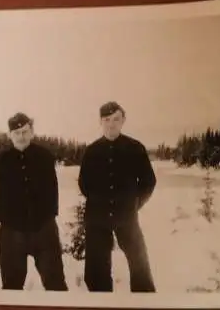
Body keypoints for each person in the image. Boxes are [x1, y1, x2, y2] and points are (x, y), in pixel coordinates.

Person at [78, 101, 157, 293]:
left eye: (116, 119)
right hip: (97, 219)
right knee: (96, 270)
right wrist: (100, 203)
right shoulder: (91, 151)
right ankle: (102, 302)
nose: (111, 124)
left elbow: (149, 182)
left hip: (126, 217)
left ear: (123, 121)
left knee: (140, 264)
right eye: (106, 120)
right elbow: (84, 184)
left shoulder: (135, 148)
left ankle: (143, 303)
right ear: (100, 122)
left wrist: (133, 204)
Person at [0, 112, 68, 291]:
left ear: (32, 132)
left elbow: (52, 191)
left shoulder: (44, 156)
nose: (21, 137)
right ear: (10, 135)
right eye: (16, 133)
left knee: (54, 281)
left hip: (43, 228)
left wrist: (47, 219)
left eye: (25, 132)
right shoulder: (1, 160)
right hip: (13, 230)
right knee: (11, 283)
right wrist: (10, 222)